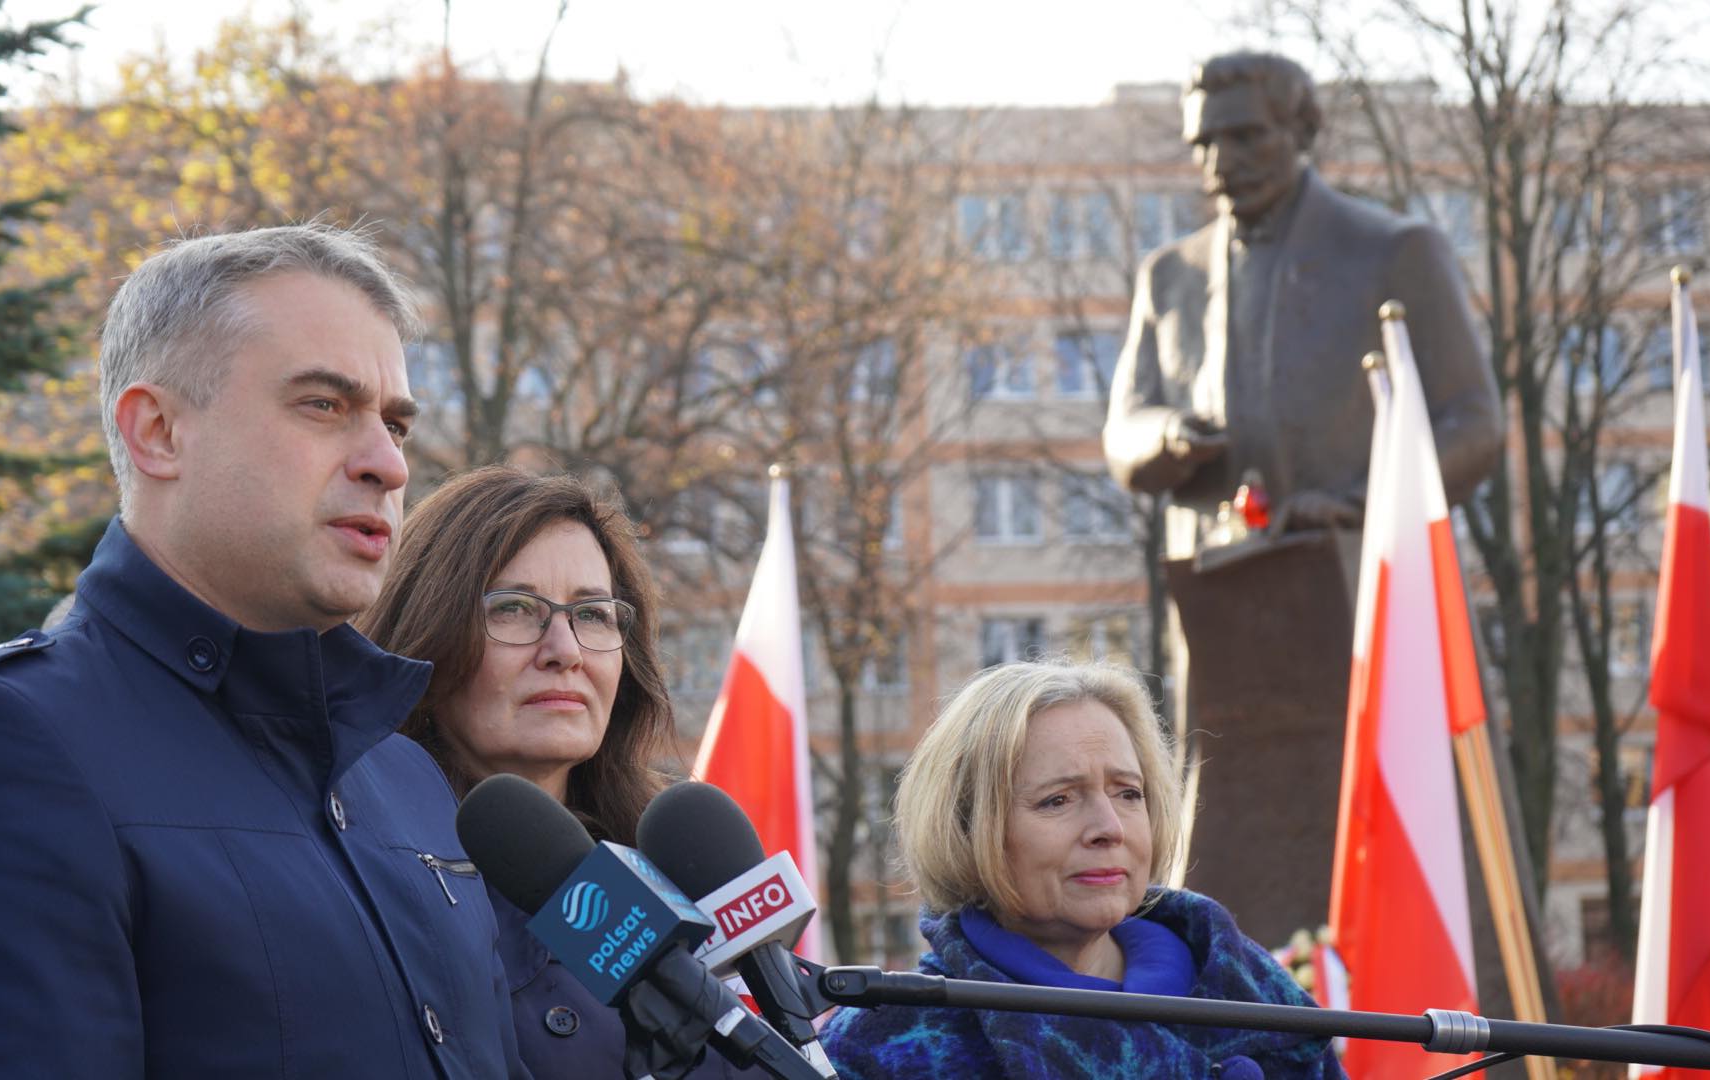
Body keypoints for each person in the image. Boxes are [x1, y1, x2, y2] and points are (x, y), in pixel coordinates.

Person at [0, 224, 526, 1078]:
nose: (388, 465)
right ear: (158, 432)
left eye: (396, 423)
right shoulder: (7, 741)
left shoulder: (406, 779)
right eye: (324, 404)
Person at [1101, 51, 1504, 940]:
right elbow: (1122, 429)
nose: (1221, 161)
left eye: (1245, 135)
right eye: (1205, 142)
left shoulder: (1393, 252)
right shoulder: (1168, 276)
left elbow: (1475, 424)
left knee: (1408, 837)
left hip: (1364, 593)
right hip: (1228, 613)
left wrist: (1364, 497)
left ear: (1301, 131)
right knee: (1224, 840)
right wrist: (1166, 440)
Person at [359, 465, 762, 1079]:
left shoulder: (673, 877)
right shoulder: (362, 883)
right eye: (515, 608)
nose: (565, 651)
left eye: (593, 614)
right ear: (428, 633)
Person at [818, 660, 1345, 1079]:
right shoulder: (884, 1042)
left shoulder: (1257, 995)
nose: (1108, 826)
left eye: (1129, 793)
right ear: (967, 826)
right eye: (1058, 800)